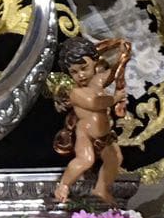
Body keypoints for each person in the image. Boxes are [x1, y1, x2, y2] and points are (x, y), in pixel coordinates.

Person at [51, 35, 132, 206]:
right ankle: (64, 185)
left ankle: (102, 188)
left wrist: (122, 59)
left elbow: (113, 74)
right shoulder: (75, 93)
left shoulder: (98, 80)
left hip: (104, 134)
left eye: (84, 68)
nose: (80, 75)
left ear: (95, 62)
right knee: (86, 160)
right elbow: (95, 103)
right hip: (86, 133)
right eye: (74, 72)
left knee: (115, 159)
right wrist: (115, 98)